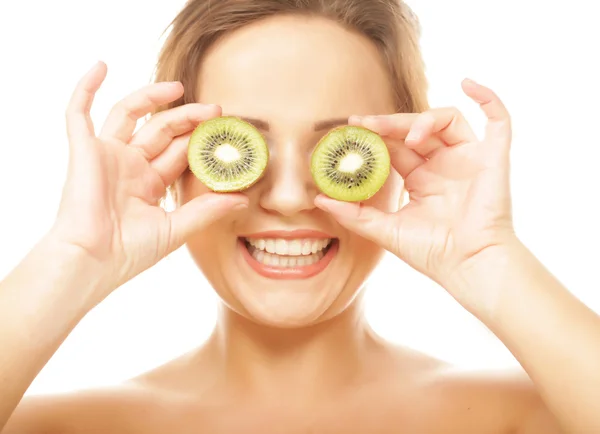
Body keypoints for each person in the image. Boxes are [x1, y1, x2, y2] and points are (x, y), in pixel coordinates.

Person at [0, 0, 598, 432]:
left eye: (338, 150)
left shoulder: (524, 418)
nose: (288, 197)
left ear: (402, 162)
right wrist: (72, 258)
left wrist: (491, 263)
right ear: (174, 164)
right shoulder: (60, 425)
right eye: (239, 146)